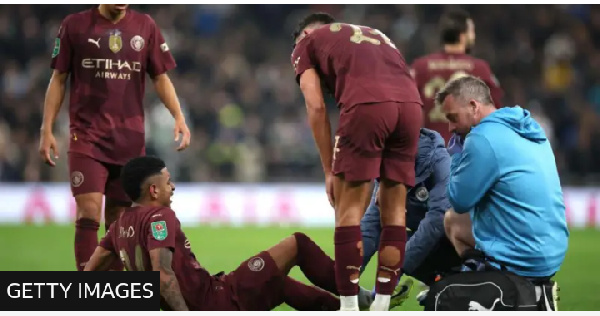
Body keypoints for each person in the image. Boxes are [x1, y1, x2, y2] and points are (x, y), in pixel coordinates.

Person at [84, 156, 407, 311]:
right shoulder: (160, 216)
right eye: (168, 181)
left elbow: (89, 271)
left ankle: (344, 309)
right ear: (153, 190)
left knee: (278, 282)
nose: (173, 186)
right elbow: (163, 275)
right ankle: (357, 299)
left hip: (212, 294)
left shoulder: (117, 226)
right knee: (297, 243)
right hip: (216, 301)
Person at [38, 4, 191, 271]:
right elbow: (59, 78)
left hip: (128, 141)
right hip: (86, 137)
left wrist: (178, 115)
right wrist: (46, 128)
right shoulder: (74, 25)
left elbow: (160, 77)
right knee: (89, 210)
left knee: (119, 221)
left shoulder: (146, 26)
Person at [291, 13, 422, 311]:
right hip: (411, 107)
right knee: (394, 212)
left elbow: (315, 105)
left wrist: (328, 169)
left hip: (367, 106)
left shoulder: (307, 42)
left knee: (348, 211)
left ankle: (348, 308)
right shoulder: (375, 33)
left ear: (306, 34)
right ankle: (382, 305)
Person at [437, 75, 568, 310]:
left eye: (452, 118)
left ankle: (490, 279)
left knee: (451, 220)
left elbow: (459, 200)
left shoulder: (482, 138)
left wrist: (456, 156)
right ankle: (537, 292)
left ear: (473, 106)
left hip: (523, 256)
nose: (451, 127)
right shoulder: (529, 127)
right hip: (552, 249)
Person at [360, 128, 461, 304]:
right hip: (434, 247)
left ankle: (458, 279)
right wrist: (348, 273)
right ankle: (439, 283)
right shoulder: (388, 168)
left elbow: (436, 220)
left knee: (407, 243)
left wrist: (394, 271)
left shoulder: (440, 164)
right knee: (390, 240)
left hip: (459, 245)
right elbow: (372, 225)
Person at [411, 8, 503, 144]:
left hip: (430, 149)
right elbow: (496, 110)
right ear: (462, 36)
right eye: (472, 32)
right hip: (467, 148)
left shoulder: (419, 67)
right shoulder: (479, 68)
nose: (474, 36)